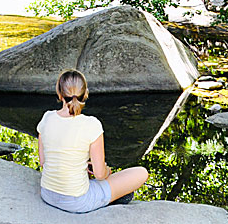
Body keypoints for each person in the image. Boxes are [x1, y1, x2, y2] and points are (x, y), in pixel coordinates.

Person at [37, 69, 148, 213]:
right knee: (141, 173)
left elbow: (43, 162)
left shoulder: (47, 118)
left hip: (48, 194)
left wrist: (82, 166)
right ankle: (110, 199)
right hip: (77, 202)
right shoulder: (91, 124)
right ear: (85, 94)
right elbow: (100, 175)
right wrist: (107, 171)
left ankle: (110, 196)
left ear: (59, 93)